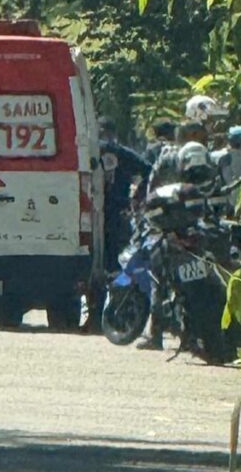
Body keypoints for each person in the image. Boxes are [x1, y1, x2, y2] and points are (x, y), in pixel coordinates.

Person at [138, 141, 219, 350]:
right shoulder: (206, 183)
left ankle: (155, 334)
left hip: (192, 243)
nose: (196, 174)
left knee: (158, 279)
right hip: (194, 242)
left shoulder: (185, 186)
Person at [87, 118, 152, 332]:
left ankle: (105, 316)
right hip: (111, 214)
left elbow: (148, 171)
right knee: (109, 265)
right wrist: (138, 197)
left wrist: (137, 197)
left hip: (104, 215)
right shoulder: (121, 153)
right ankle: (106, 316)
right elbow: (148, 171)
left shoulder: (95, 151)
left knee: (106, 265)